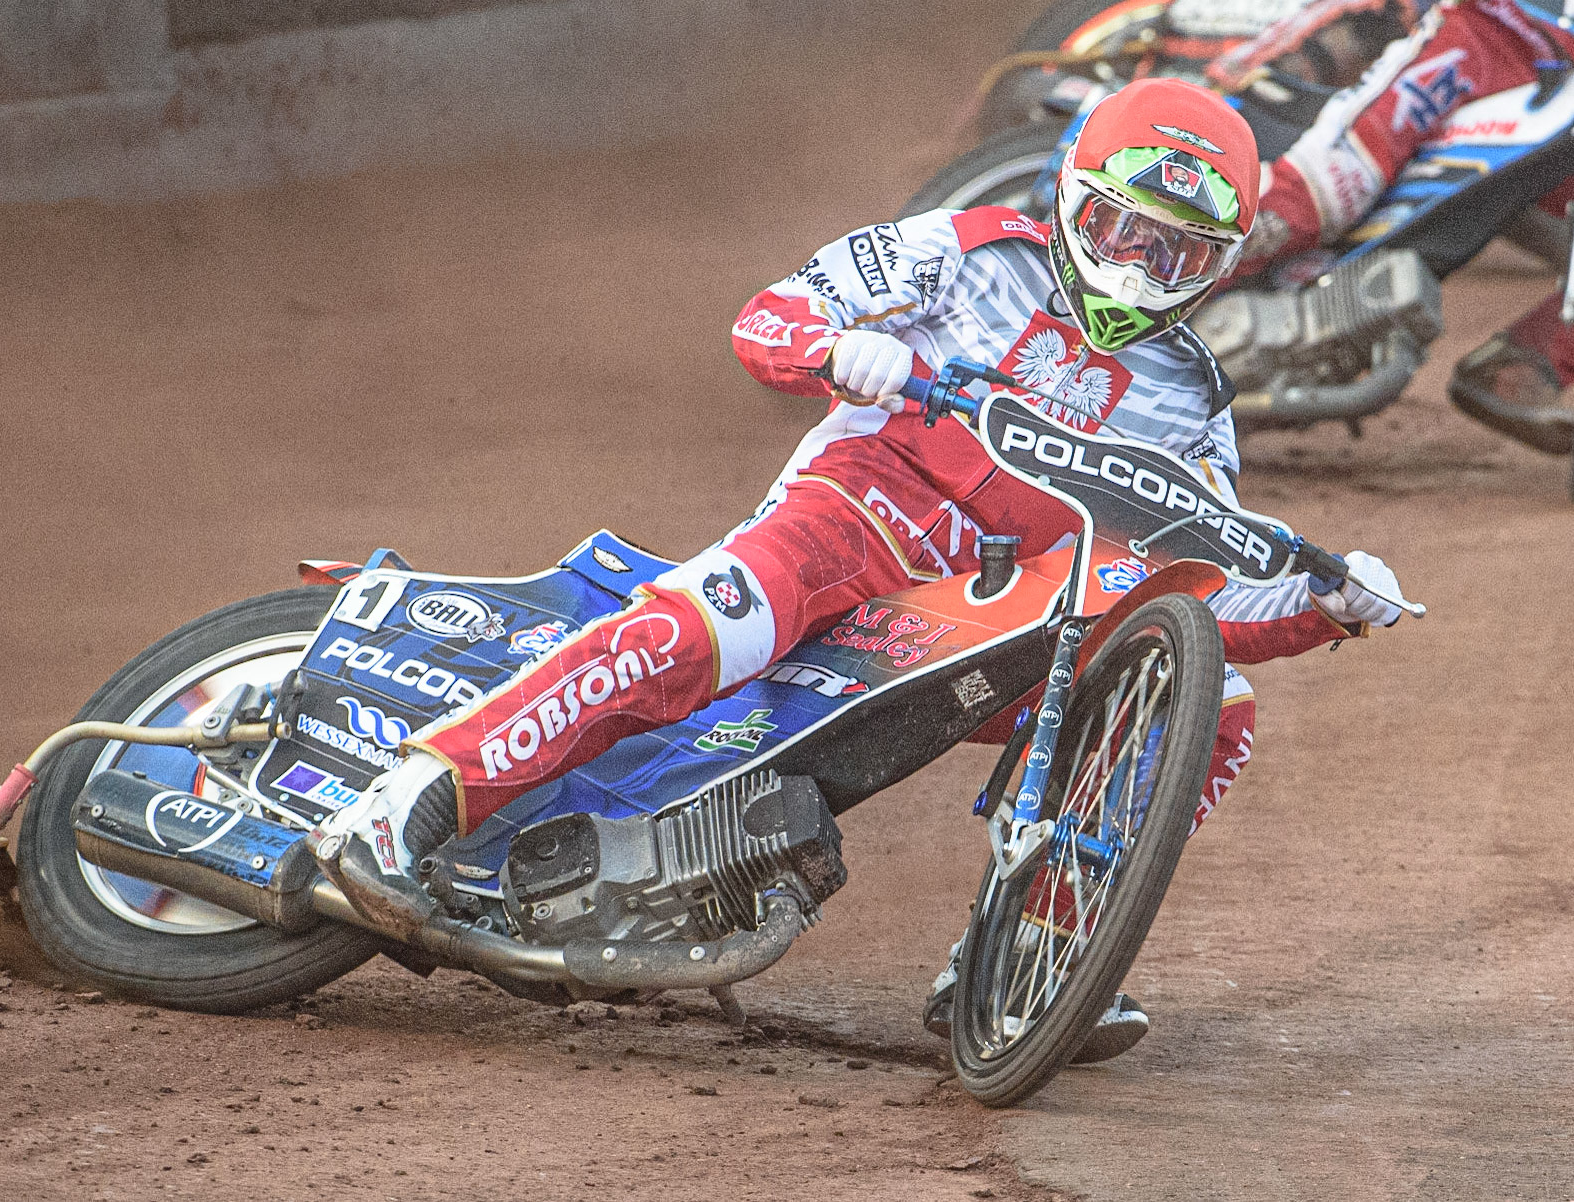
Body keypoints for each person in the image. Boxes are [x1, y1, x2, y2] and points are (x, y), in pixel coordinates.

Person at [316, 77, 1408, 1060]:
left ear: (1220, 262)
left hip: (982, 609)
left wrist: (1327, 599)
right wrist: (837, 349)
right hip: (851, 519)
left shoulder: (1195, 400)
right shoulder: (967, 251)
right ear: (1069, 196)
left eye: (1176, 252)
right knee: (708, 623)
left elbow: (1198, 585)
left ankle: (1029, 951)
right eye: (1121, 227)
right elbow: (773, 312)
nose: (1137, 265)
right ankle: (403, 805)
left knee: (1211, 705)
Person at [1231, 0, 1574, 452]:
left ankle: (1530, 357)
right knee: (1325, 191)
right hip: (1493, 31)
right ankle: (1178, 283)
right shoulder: (1476, 31)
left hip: (1550, 63)